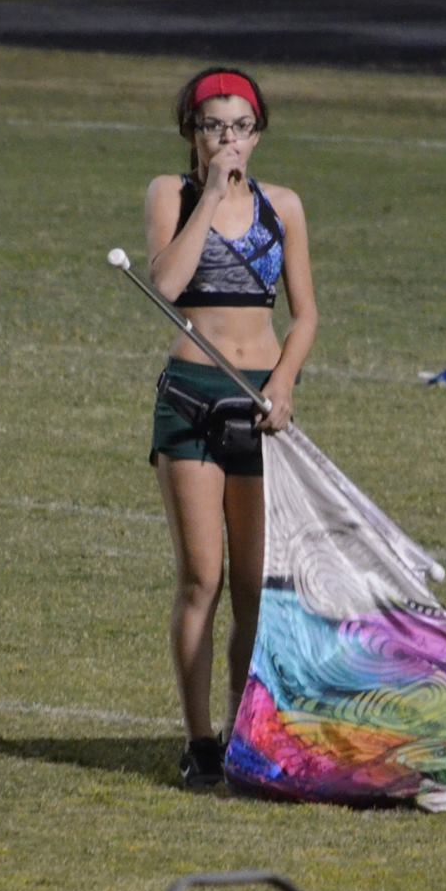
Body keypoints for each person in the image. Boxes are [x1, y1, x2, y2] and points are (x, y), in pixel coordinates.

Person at [144, 67, 317, 790]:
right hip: (192, 398)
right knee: (201, 578)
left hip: (258, 405)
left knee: (253, 587)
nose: (228, 139)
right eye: (213, 127)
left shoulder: (284, 206)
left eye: (241, 127)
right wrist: (212, 192)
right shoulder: (171, 193)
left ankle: (245, 734)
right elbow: (166, 286)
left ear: (259, 132)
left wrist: (284, 383)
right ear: (192, 132)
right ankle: (200, 742)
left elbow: (305, 315)